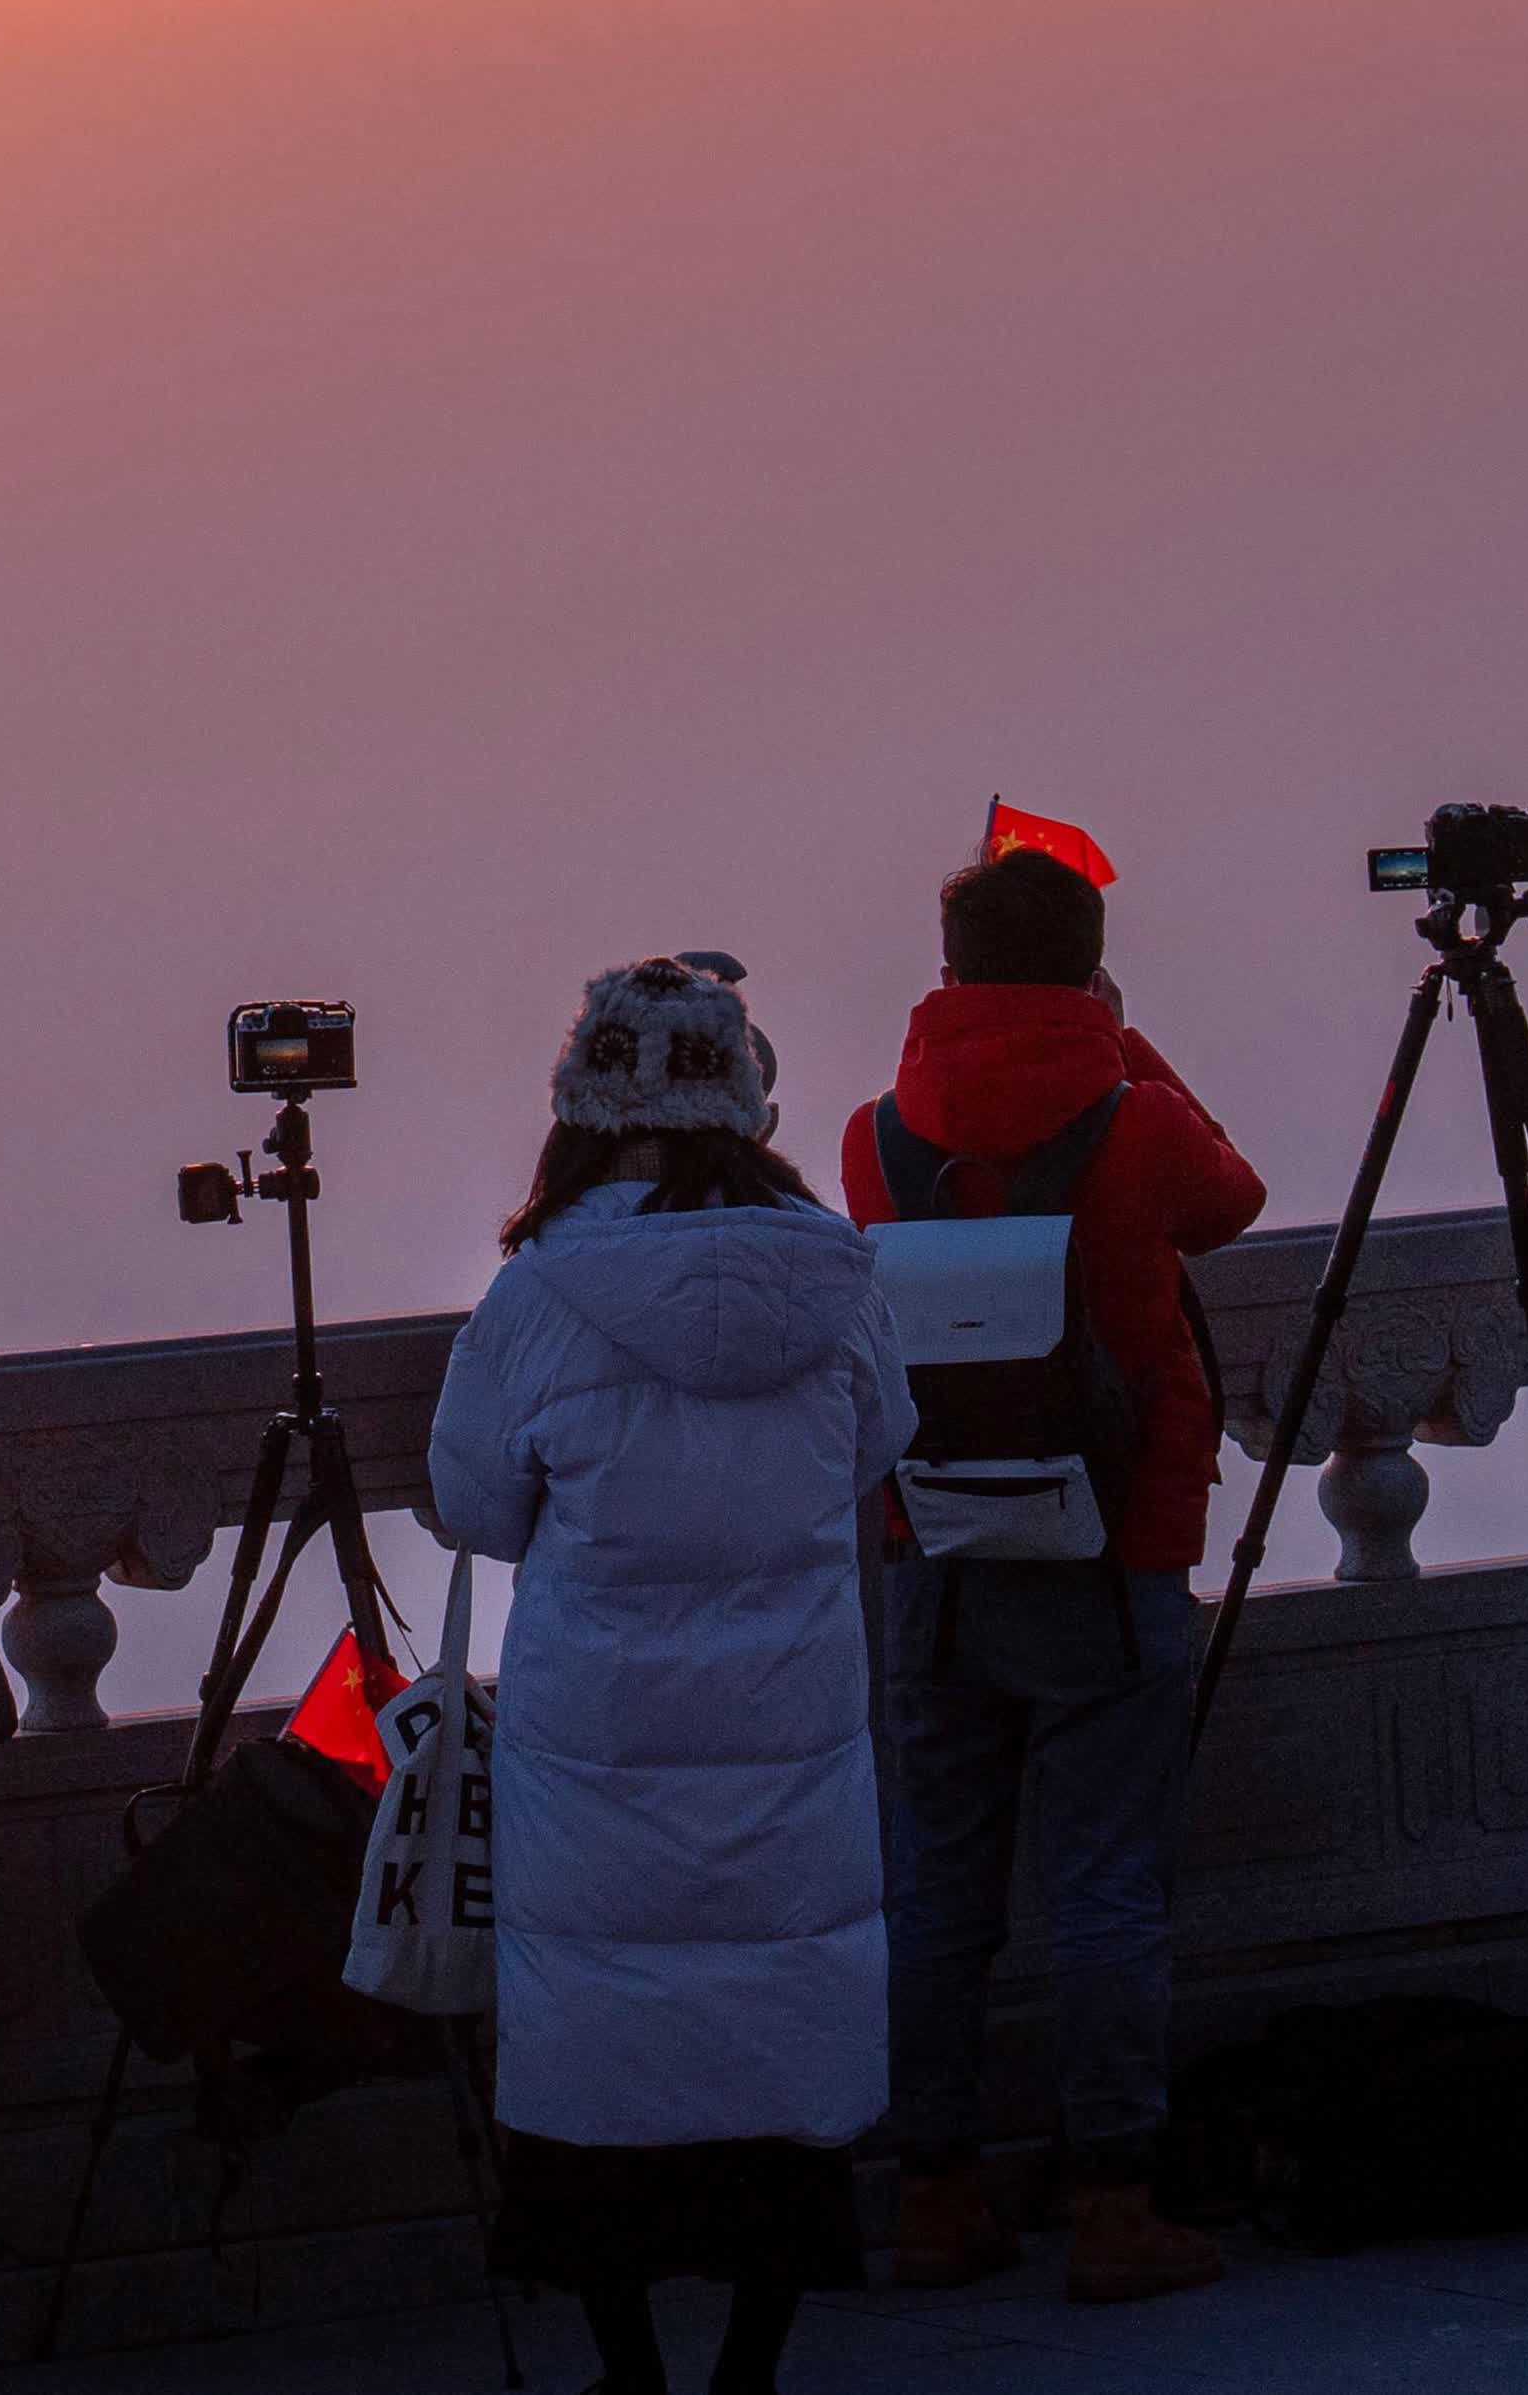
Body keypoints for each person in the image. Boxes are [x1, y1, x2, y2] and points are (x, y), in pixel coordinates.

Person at [432, 958, 911, 2395]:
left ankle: (631, 2370)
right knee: (776, 2044)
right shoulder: (833, 1273)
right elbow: (879, 1443)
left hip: (599, 1752)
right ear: (746, 1096)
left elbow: (474, 1506)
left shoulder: (539, 1293)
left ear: (581, 1101)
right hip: (791, 1729)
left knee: (605, 2055)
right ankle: (751, 2368)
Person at [841, 848, 1263, 2303]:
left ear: (948, 968)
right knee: (1104, 1888)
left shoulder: (877, 1132)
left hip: (938, 1549)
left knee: (937, 1892)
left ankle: (933, 2193)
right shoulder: (1136, 1120)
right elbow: (1235, 1194)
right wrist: (1120, 1034)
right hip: (1110, 1548)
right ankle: (1112, 2202)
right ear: (1085, 961)